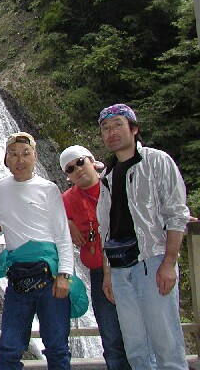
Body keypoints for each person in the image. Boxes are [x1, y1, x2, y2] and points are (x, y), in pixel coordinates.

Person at [96, 103, 189, 368]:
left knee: (166, 342)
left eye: (118, 125)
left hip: (152, 261)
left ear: (134, 129)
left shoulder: (157, 161)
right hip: (120, 267)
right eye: (106, 128)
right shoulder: (107, 175)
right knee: (135, 346)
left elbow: (176, 213)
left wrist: (169, 262)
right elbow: (106, 227)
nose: (112, 132)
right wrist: (107, 273)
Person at [0, 132, 80, 370]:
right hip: (18, 276)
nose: (20, 160)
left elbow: (62, 235)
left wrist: (65, 275)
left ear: (35, 156)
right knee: (8, 348)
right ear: (6, 159)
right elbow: (6, 220)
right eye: (14, 154)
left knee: (57, 347)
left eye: (25, 154)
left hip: (50, 276)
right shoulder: (0, 188)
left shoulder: (48, 189)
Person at [59, 145, 130, 370]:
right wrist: (68, 222)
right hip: (99, 272)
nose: (77, 169)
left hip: (130, 266)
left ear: (92, 161)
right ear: (68, 176)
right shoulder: (66, 200)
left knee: (140, 334)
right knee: (111, 338)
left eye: (80, 162)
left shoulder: (115, 185)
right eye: (70, 168)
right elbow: (49, 220)